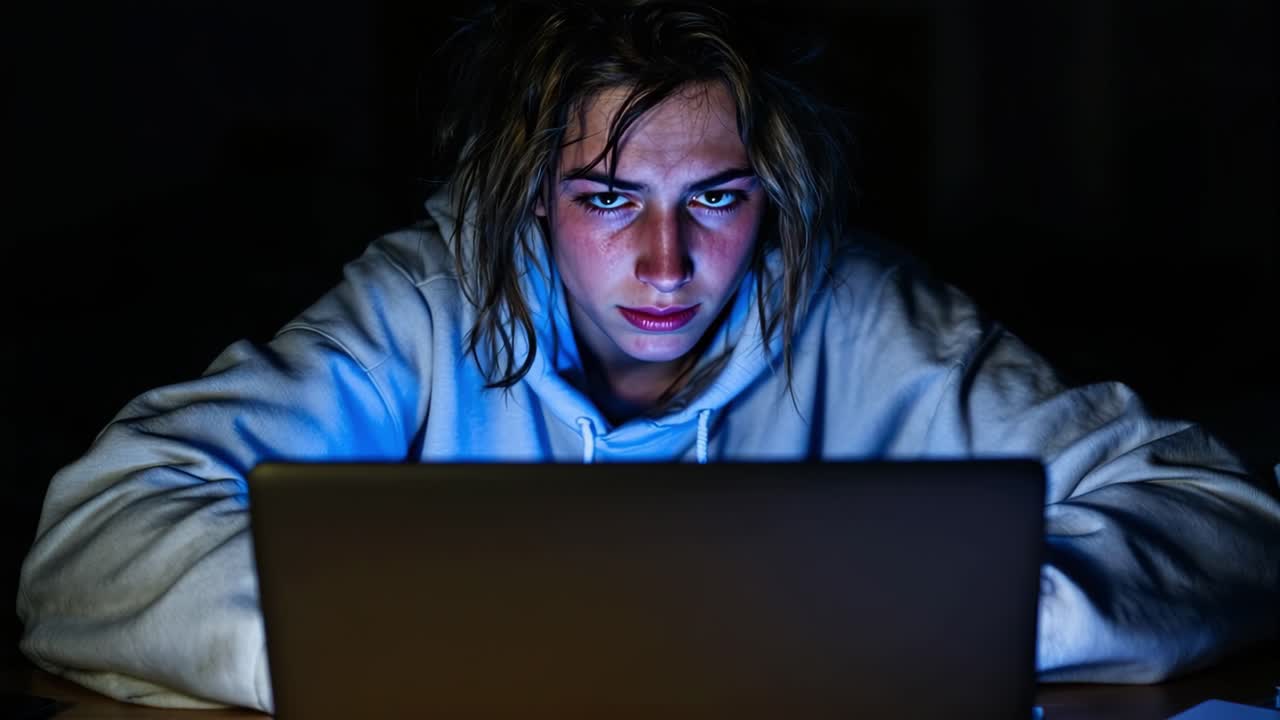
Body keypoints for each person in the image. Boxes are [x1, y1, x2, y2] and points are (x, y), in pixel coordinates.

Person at [16, 0, 1280, 712]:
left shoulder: (852, 307)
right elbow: (88, 544)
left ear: (770, 198)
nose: (667, 265)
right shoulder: (421, 303)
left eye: (717, 199)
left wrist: (911, 623)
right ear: (530, 200)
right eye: (610, 201)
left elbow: (1225, 521)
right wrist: (448, 642)